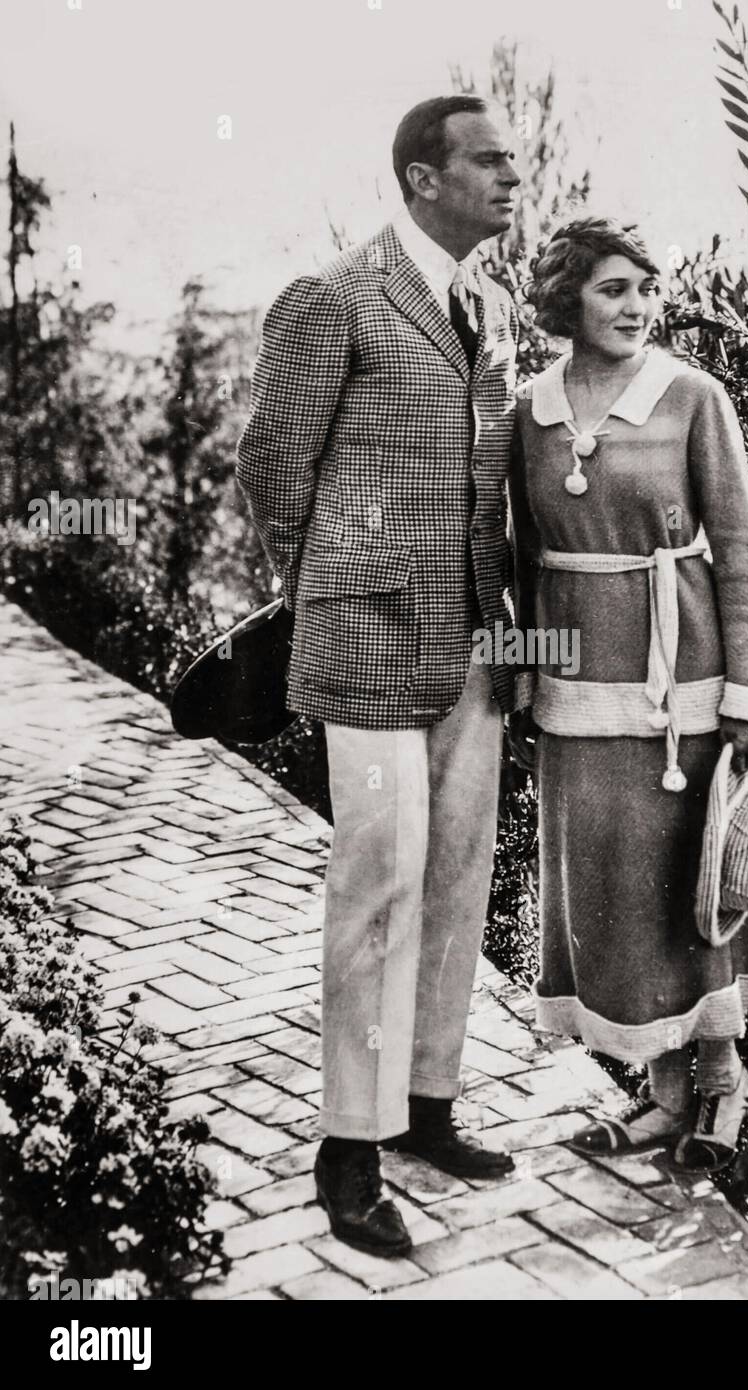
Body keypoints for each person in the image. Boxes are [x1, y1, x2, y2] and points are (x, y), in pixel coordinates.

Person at [236, 95, 521, 1257]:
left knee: (458, 869)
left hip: (474, 636)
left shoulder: (491, 307)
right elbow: (271, 464)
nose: (509, 174)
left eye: (510, 158)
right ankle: (346, 1149)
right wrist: (331, 587)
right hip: (363, 638)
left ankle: (426, 1105)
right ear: (420, 178)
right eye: (485, 160)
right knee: (379, 883)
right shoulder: (334, 300)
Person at [507, 217, 748, 1170]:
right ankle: (660, 1095)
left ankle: (723, 1087)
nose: (636, 306)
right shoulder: (530, 408)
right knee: (613, 902)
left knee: (700, 887)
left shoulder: (692, 397)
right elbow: (519, 558)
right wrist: (522, 676)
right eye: (611, 289)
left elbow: (744, 552)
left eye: (645, 287)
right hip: (578, 697)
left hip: (686, 694)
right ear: (567, 301)